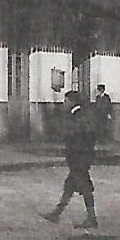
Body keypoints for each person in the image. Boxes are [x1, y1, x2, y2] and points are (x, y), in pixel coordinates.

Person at [41, 90, 99, 229]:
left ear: (73, 102)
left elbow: (83, 134)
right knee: (71, 185)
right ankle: (57, 213)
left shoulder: (79, 115)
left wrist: (76, 148)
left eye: (66, 101)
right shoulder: (77, 114)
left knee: (83, 187)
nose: (64, 103)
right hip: (79, 156)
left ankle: (91, 218)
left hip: (80, 156)